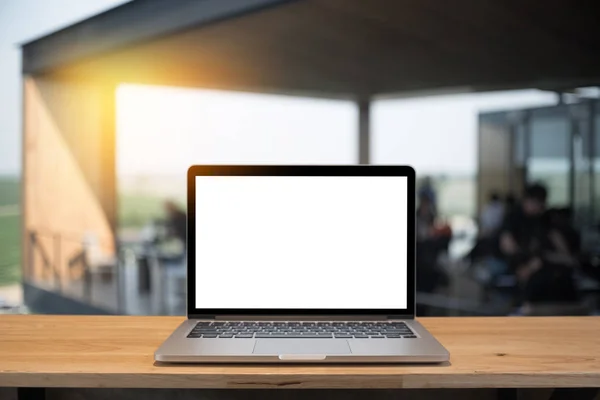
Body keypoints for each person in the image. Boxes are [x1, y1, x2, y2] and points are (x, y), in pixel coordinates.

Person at [498, 184, 579, 305]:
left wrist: (561, 257)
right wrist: (525, 262)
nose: (540, 207)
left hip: (544, 266)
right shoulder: (514, 218)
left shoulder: (544, 220)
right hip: (522, 265)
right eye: (536, 203)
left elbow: (560, 246)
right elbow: (508, 246)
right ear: (527, 200)